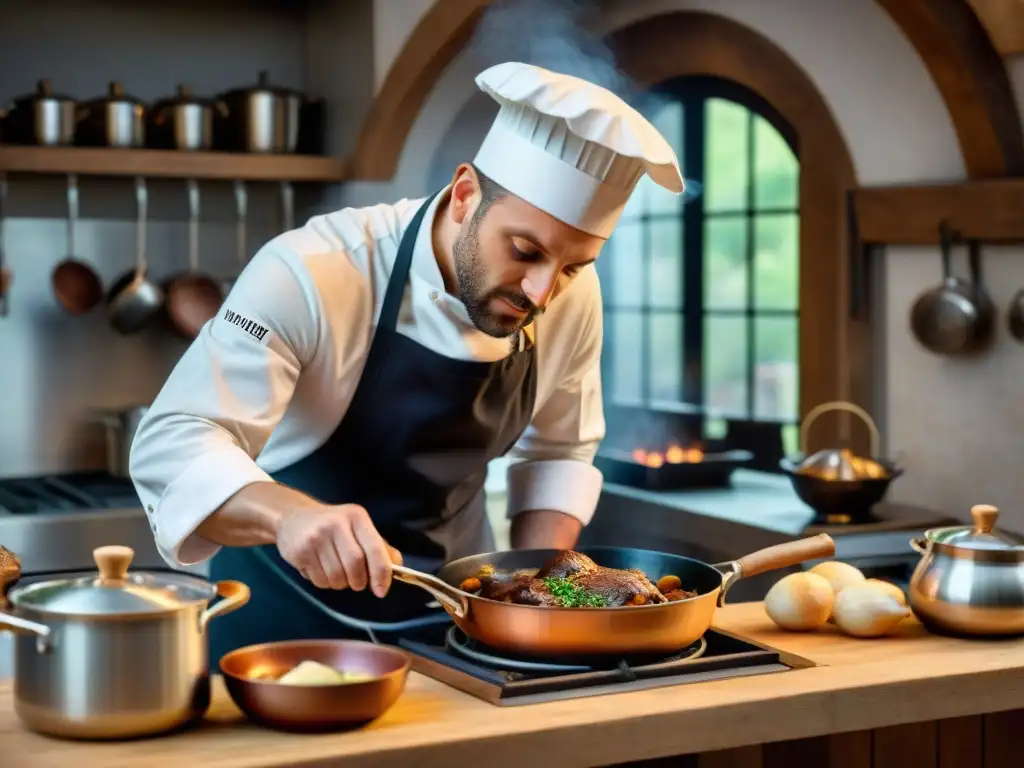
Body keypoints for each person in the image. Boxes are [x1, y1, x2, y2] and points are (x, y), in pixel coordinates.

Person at [129, 61, 684, 657]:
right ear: (467, 195)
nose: (541, 293)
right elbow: (175, 440)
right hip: (279, 636)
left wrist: (542, 598)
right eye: (524, 251)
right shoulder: (314, 269)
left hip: (452, 631)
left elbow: (559, 450)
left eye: (574, 267)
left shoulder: (566, 296)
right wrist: (289, 516)